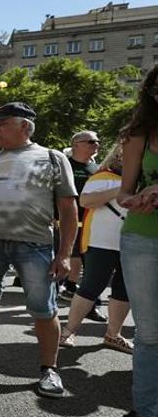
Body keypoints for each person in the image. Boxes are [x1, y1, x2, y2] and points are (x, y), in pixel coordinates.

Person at [0, 102, 77, 399]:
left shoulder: (52, 158)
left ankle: (50, 370)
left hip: (35, 245)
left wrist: (65, 254)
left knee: (44, 310)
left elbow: (69, 209)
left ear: (25, 126)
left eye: (2, 123)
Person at [94, 66, 158, 417]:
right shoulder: (138, 135)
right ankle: (147, 416)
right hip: (143, 240)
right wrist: (134, 199)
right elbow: (123, 193)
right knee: (149, 332)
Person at [59, 142, 132, 353]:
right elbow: (85, 200)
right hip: (101, 242)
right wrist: (122, 188)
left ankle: (113, 334)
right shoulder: (103, 176)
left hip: (132, 243)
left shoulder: (144, 180)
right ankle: (69, 331)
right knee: (91, 286)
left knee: (123, 290)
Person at [59, 130, 106, 322]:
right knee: (65, 262)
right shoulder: (65, 165)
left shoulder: (99, 169)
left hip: (92, 224)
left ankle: (92, 306)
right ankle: (60, 294)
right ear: (76, 144)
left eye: (97, 141)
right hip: (65, 223)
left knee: (92, 268)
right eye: (91, 141)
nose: (96, 144)